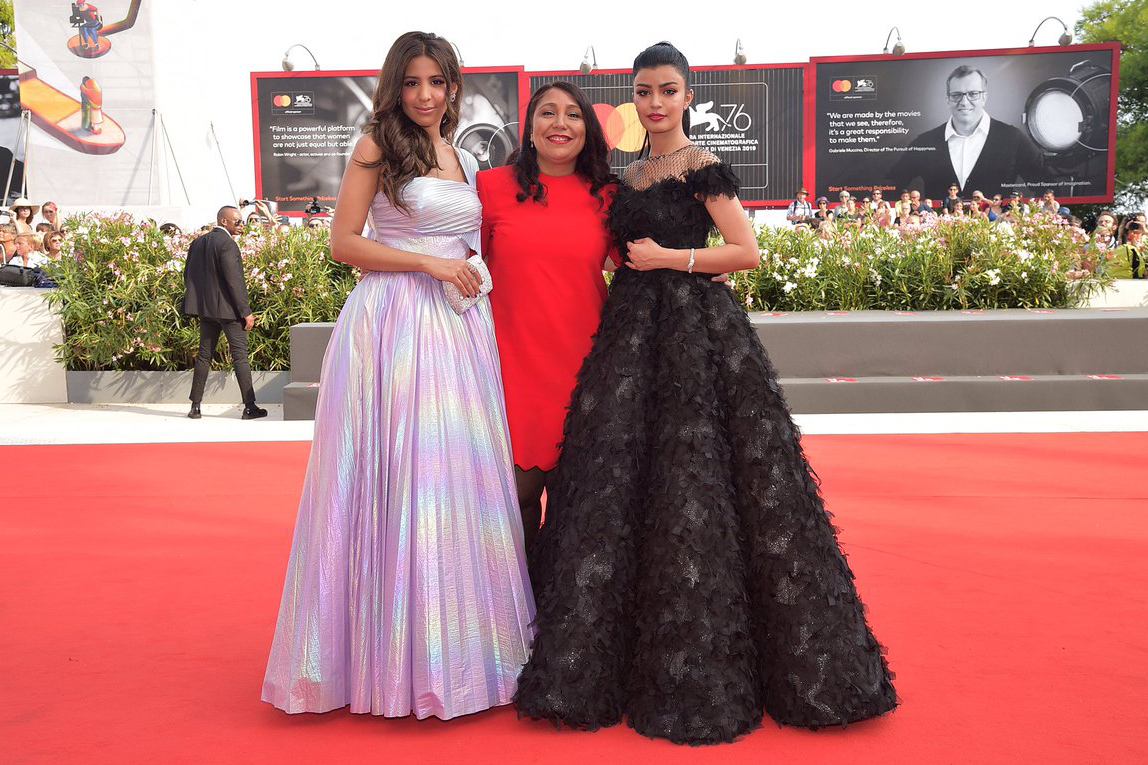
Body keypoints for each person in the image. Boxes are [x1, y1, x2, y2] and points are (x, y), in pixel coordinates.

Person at [514, 41, 897, 746]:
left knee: (699, 482)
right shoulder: (627, 177)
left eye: (667, 90)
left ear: (688, 97)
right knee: (618, 486)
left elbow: (746, 251)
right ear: (632, 99)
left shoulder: (703, 166)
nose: (655, 102)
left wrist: (674, 258)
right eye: (643, 91)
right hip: (629, 341)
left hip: (696, 340)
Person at [262, 31, 533, 721]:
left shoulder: (465, 155)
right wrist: (429, 263)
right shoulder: (376, 144)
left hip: (459, 327)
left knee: (456, 476)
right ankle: (386, 660)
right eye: (412, 82)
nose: (424, 95)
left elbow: (477, 239)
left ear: (453, 87)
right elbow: (343, 243)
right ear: (395, 86)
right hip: (394, 325)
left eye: (436, 82)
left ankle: (462, 654)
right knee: (399, 476)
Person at [477, 82, 619, 555]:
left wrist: (699, 270)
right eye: (548, 113)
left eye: (573, 114)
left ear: (588, 128)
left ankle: (563, 602)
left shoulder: (609, 195)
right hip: (509, 368)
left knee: (576, 511)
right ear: (530, 126)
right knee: (513, 503)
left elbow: (641, 265)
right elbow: (459, 263)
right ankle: (513, 601)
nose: (560, 123)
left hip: (586, 368)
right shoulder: (490, 187)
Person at [890, 64, 1043, 197]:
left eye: (973, 94)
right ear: (948, 100)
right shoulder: (925, 142)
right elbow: (890, 185)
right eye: (956, 95)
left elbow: (1049, 185)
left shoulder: (1012, 138)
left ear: (984, 97)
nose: (964, 102)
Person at [180, 205, 266, 420]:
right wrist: (246, 312)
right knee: (240, 357)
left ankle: (195, 407)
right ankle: (250, 407)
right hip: (229, 312)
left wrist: (201, 302)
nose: (242, 225)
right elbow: (235, 281)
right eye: (238, 221)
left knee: (204, 356)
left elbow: (188, 275)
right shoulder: (227, 244)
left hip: (206, 311)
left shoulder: (198, 243)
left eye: (242, 221)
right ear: (224, 221)